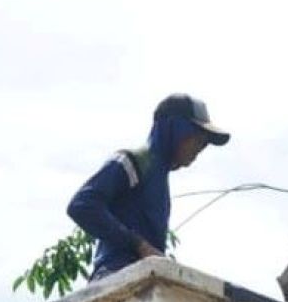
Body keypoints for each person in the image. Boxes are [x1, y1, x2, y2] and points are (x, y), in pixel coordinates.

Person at [67, 93, 230, 281]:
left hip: (142, 281)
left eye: (204, 146)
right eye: (198, 139)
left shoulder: (160, 180)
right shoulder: (134, 161)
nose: (199, 150)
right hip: (115, 276)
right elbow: (82, 205)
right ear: (175, 129)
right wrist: (139, 245)